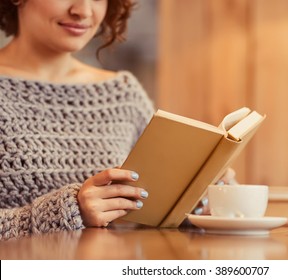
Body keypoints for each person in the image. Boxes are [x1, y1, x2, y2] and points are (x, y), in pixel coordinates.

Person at [0, 0, 234, 241]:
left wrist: (199, 198)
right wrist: (65, 212)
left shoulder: (123, 93)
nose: (82, 11)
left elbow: (152, 209)